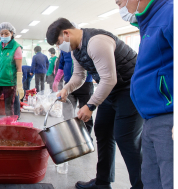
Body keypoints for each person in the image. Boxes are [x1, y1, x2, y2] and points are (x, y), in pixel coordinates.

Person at [46, 18, 143, 189]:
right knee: (103, 131)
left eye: (58, 43)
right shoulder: (75, 49)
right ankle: (102, 182)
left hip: (130, 88)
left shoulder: (96, 42)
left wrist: (90, 105)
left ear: (66, 33)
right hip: (112, 89)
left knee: (126, 138)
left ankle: (141, 185)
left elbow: (108, 78)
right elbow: (79, 76)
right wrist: (66, 89)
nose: (58, 47)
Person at [113, 0, 173, 188]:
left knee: (169, 180)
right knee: (150, 180)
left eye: (120, 3)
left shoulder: (170, 14)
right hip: (151, 117)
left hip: (168, 117)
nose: (122, 9)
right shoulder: (150, 22)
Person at [53, 50, 94, 135]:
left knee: (85, 115)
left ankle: (86, 139)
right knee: (67, 114)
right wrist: (57, 80)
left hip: (86, 84)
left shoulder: (85, 46)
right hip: (68, 85)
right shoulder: (64, 49)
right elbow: (61, 65)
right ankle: (70, 137)